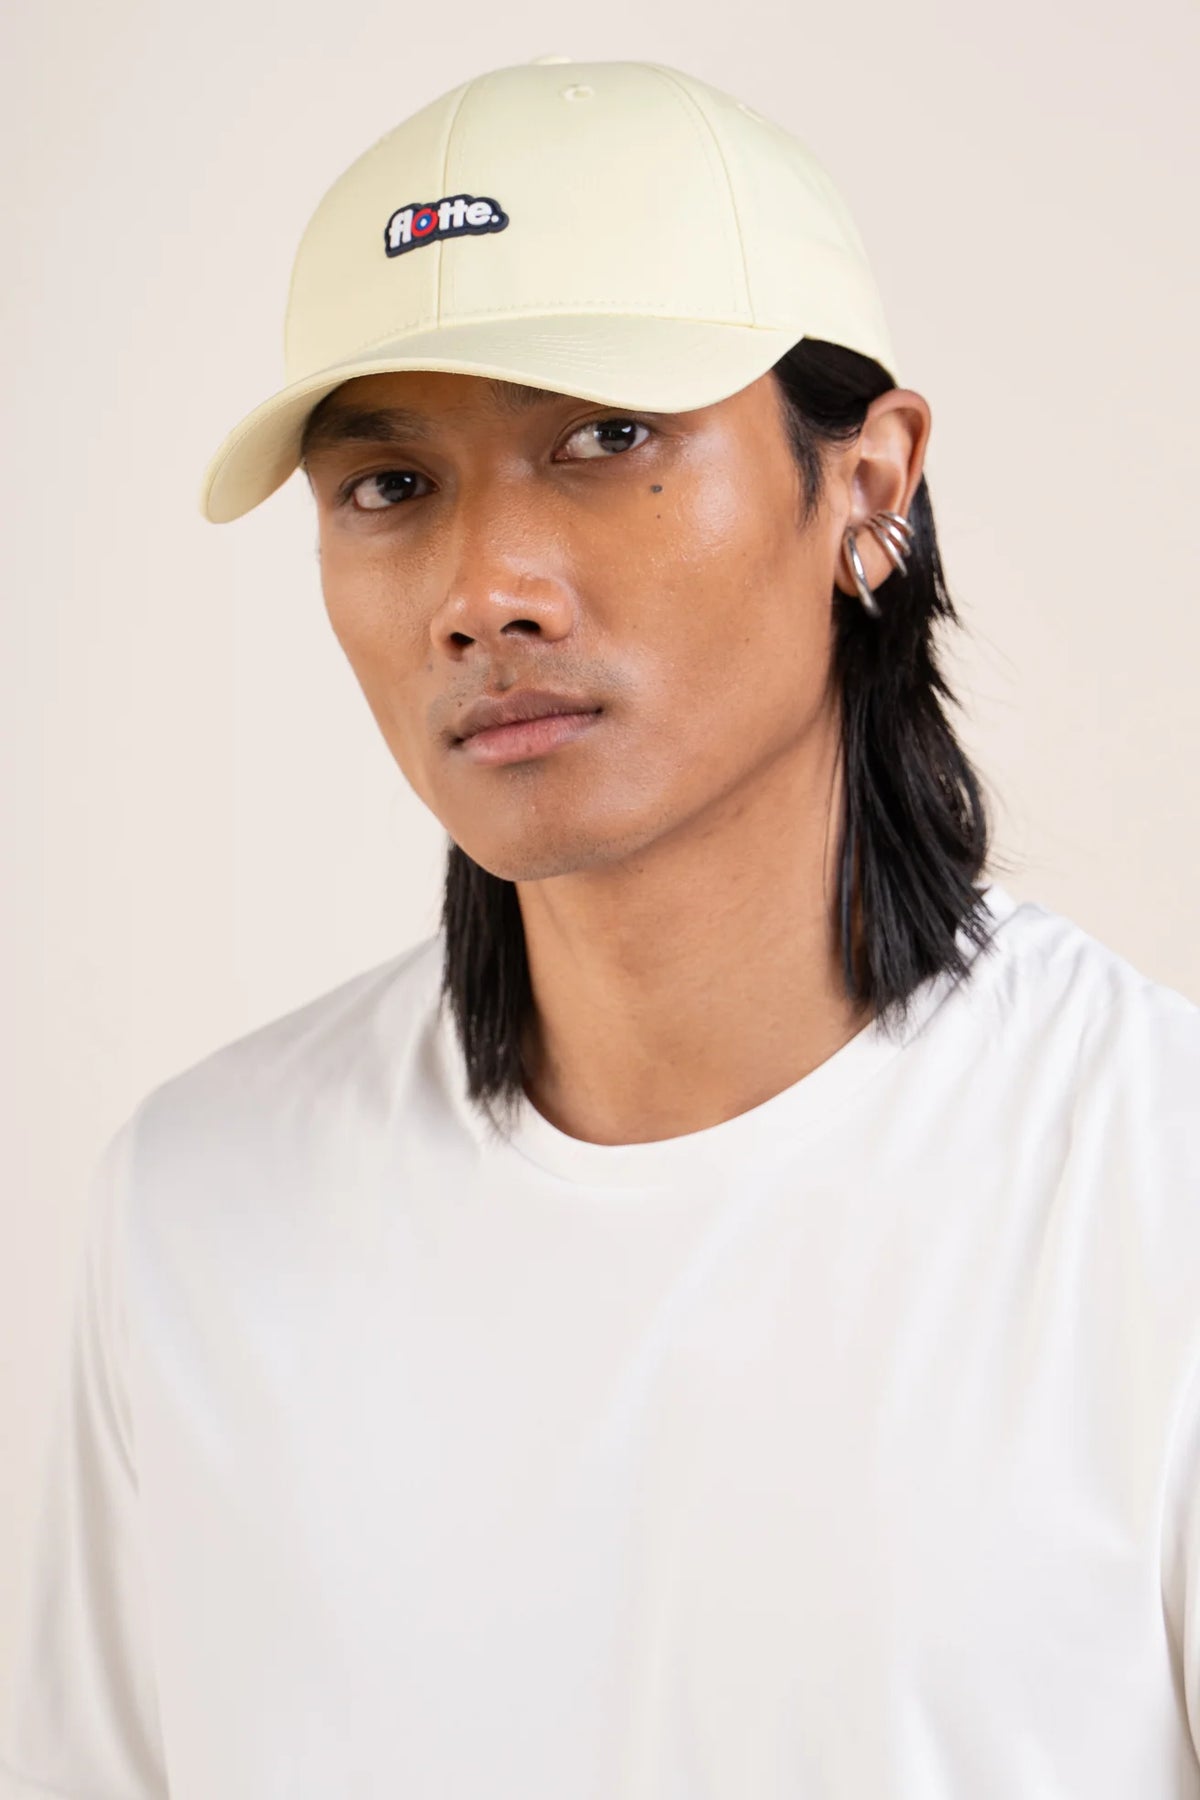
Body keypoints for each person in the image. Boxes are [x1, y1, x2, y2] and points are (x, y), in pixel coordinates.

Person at [3, 53, 1198, 1800]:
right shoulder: (197, 1212)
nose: (484, 593)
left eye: (606, 436)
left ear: (869, 485)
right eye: (388, 485)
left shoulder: (1153, 1191)